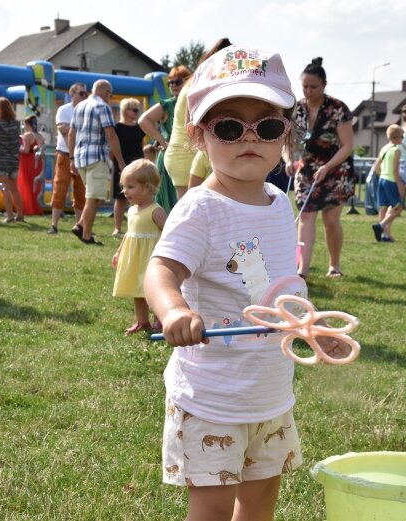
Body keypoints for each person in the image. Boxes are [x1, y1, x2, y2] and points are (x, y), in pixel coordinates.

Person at [144, 46, 303, 521]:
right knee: (211, 512)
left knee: (259, 507)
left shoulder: (278, 201)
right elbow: (161, 270)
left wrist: (309, 325)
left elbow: (282, 283)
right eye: (230, 127)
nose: (249, 138)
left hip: (270, 393)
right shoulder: (200, 208)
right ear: (198, 135)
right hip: (212, 397)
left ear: (284, 136)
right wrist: (173, 310)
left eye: (268, 126)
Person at [288, 57, 356, 278]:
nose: (308, 91)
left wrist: (327, 167)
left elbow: (347, 146)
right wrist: (289, 160)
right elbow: (287, 142)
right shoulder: (297, 109)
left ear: (324, 85)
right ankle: (302, 270)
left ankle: (334, 265)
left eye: (313, 87)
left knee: (330, 219)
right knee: (306, 216)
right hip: (307, 169)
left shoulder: (338, 108)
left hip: (336, 169)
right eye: (304, 86)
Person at [111, 159, 166, 335]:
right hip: (135, 257)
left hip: (150, 258)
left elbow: (169, 233)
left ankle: (160, 320)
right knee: (138, 290)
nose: (124, 191)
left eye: (130, 187)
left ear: (148, 188)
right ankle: (142, 321)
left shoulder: (155, 211)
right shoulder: (132, 210)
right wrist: (119, 252)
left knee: (154, 290)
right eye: (124, 186)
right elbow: (129, 234)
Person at [68, 79, 125, 246]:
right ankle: (85, 233)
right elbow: (111, 135)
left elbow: (71, 134)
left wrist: (71, 158)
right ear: (106, 92)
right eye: (110, 94)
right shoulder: (102, 107)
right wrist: (121, 161)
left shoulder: (79, 106)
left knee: (93, 196)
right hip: (97, 156)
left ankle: (81, 227)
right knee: (94, 197)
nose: (110, 97)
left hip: (80, 157)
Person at [139, 65, 192, 212]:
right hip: (173, 153)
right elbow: (143, 120)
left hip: (191, 153)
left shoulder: (193, 100)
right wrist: (162, 140)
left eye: (178, 81)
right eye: (170, 82)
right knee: (170, 198)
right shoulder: (168, 104)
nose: (173, 85)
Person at [47, 83, 87, 234]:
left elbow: (68, 131)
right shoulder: (64, 110)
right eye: (81, 93)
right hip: (65, 154)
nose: (85, 96)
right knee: (60, 187)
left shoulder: (87, 110)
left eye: (86, 93)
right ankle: (54, 225)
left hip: (82, 155)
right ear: (72, 94)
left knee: (81, 191)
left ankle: (80, 225)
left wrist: (71, 129)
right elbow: (64, 132)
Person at [111, 97, 146, 238]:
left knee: (139, 196)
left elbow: (142, 146)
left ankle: (134, 227)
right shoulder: (117, 128)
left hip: (137, 164)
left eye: (138, 109)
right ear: (126, 110)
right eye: (135, 110)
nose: (137, 112)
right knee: (120, 198)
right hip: (121, 165)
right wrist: (113, 164)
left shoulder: (139, 127)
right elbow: (112, 148)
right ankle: (117, 228)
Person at [0, 97, 23, 225]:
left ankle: (9, 216)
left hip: (1, 160)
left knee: (4, 189)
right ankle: (20, 214)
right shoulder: (17, 124)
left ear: (0, 109)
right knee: (14, 189)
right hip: (13, 160)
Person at [371, 125, 405, 243]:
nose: (403, 138)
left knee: (383, 208)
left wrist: (382, 175)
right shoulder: (396, 150)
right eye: (402, 136)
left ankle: (385, 236)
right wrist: (400, 185)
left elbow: (376, 167)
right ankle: (381, 225)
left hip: (382, 179)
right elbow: (395, 171)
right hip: (391, 180)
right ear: (396, 137)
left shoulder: (384, 148)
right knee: (398, 207)